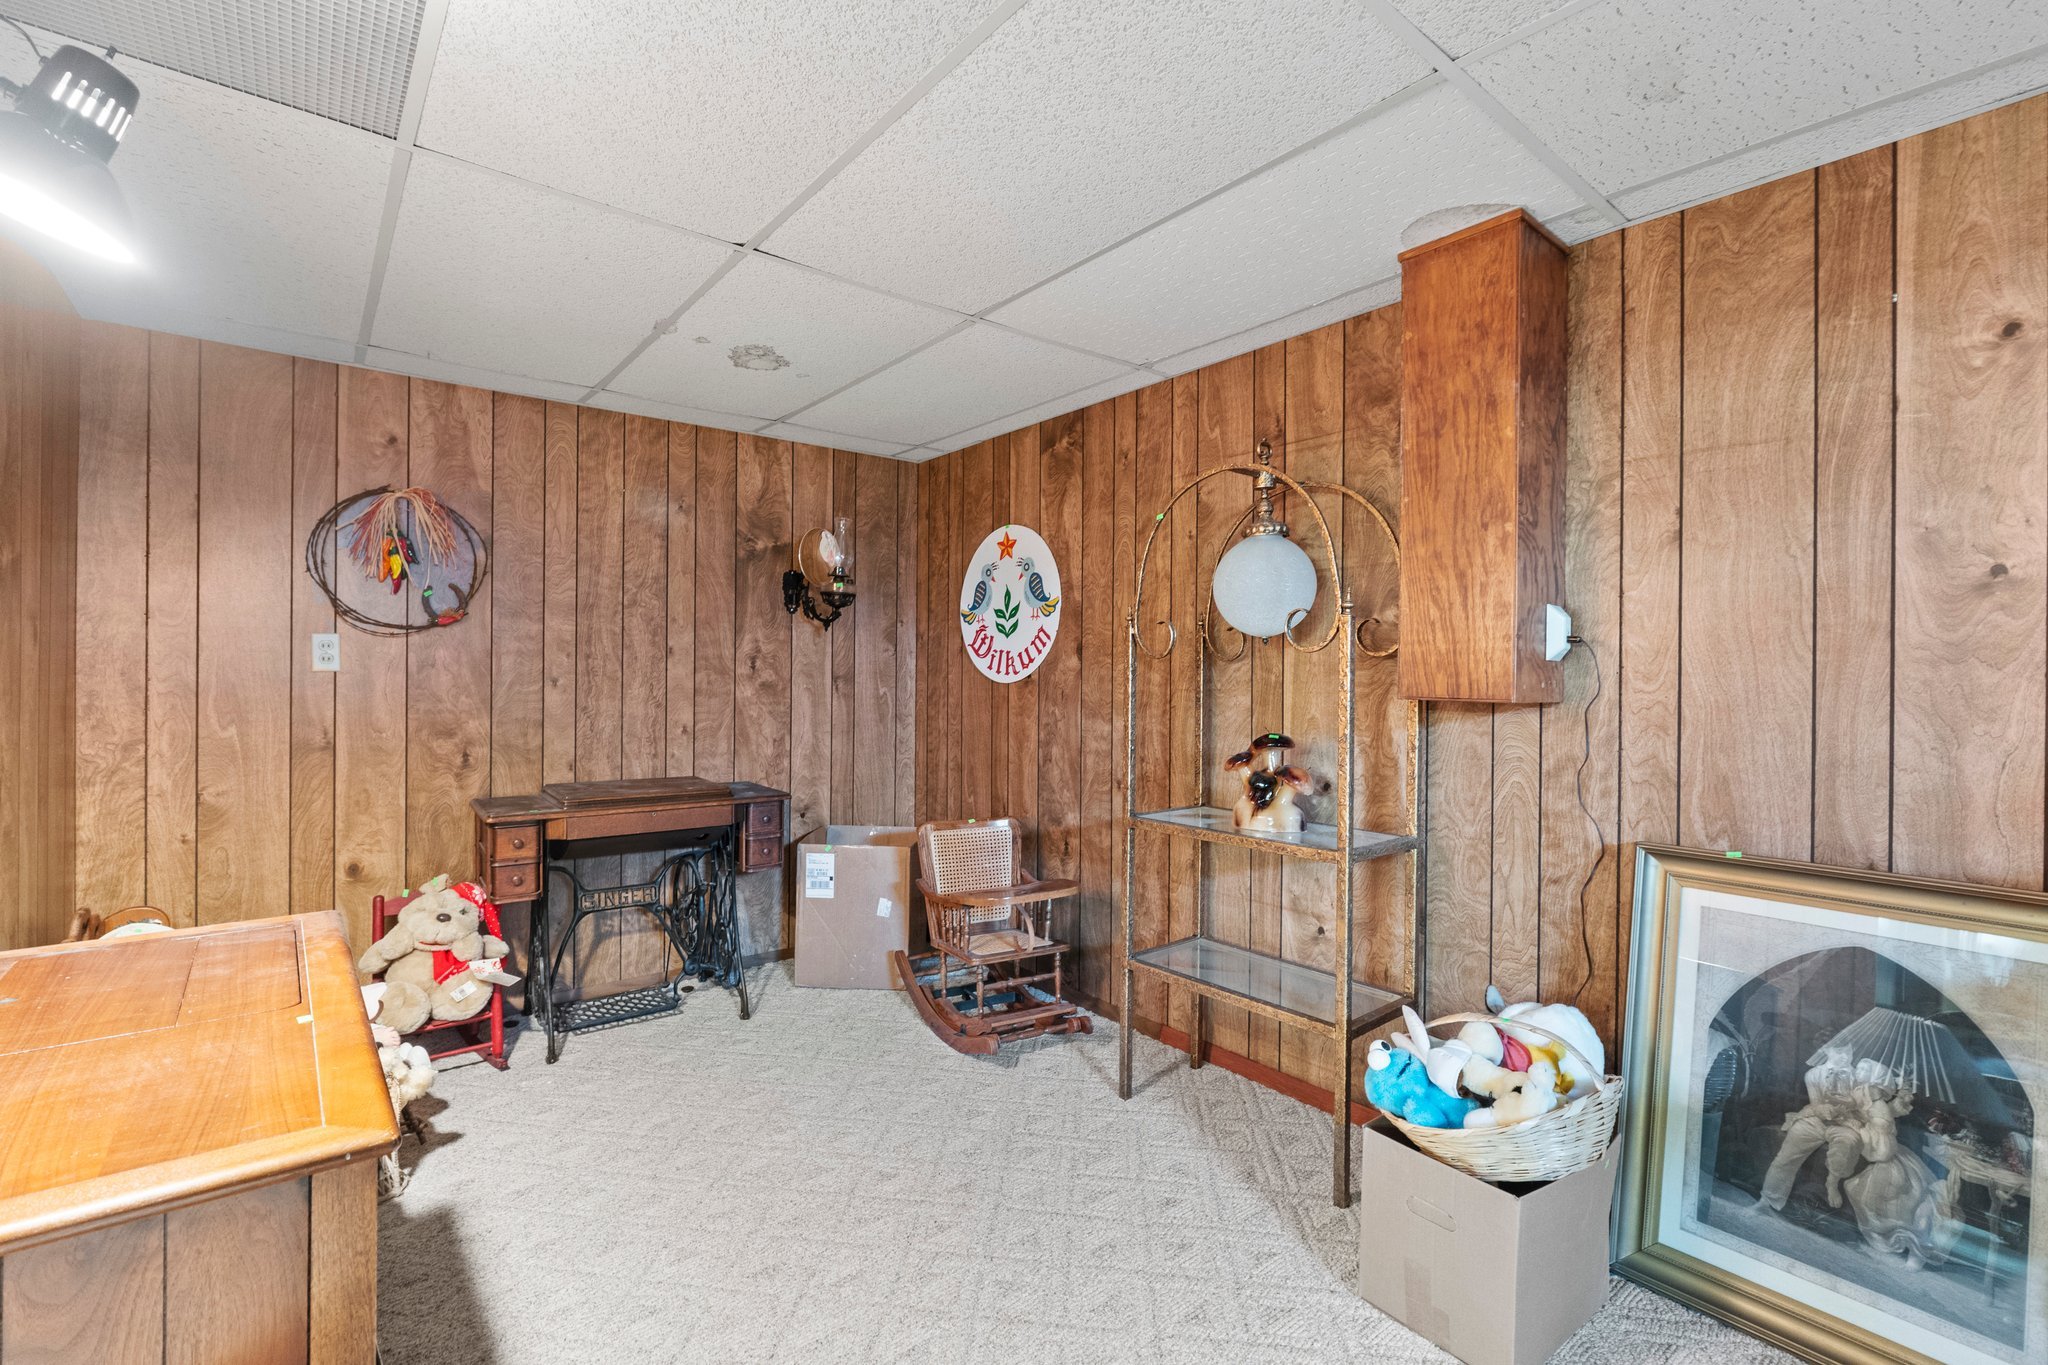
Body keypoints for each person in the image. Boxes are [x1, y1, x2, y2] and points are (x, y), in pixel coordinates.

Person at [1758, 1045, 1864, 1210]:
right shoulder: (1814, 1074)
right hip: (1815, 1119)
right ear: (1827, 1051)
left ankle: (1832, 1182)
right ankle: (1768, 1199)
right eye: (1839, 1051)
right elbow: (1816, 1103)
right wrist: (1823, 1109)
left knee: (1849, 1142)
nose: (1845, 1056)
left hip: (1845, 1122)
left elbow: (1862, 1104)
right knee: (1788, 1153)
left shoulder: (1859, 1076)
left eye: (1848, 1052)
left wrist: (1849, 1107)